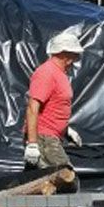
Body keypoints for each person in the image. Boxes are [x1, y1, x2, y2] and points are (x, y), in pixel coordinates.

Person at [23, 31, 85, 171]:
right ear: (65, 54)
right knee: (65, 178)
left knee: (41, 181)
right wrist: (32, 144)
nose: (75, 59)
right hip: (44, 139)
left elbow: (53, 105)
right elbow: (33, 107)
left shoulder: (59, 74)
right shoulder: (46, 73)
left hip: (51, 137)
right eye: (74, 55)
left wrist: (66, 130)